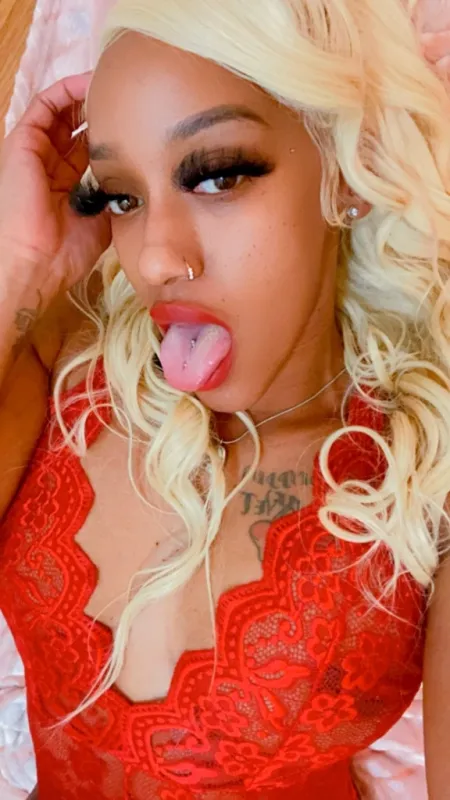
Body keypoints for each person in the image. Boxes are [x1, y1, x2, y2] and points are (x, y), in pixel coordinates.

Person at [0, 0, 449, 798]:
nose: (154, 261)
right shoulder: (59, 356)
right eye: (122, 195)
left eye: (216, 175)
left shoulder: (427, 475)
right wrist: (18, 269)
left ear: (349, 168)